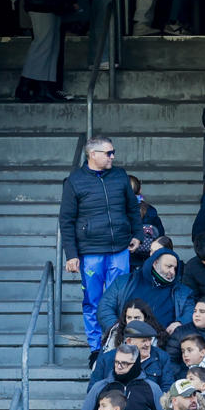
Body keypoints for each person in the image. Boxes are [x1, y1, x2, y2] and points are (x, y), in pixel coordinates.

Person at [60, 137, 141, 355]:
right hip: (90, 252)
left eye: (113, 152)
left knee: (121, 300)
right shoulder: (75, 181)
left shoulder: (120, 175)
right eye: (108, 153)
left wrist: (138, 234)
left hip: (119, 250)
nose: (113, 156)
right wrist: (71, 255)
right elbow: (66, 220)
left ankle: (119, 346)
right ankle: (97, 349)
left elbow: (133, 207)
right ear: (92, 154)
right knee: (93, 302)